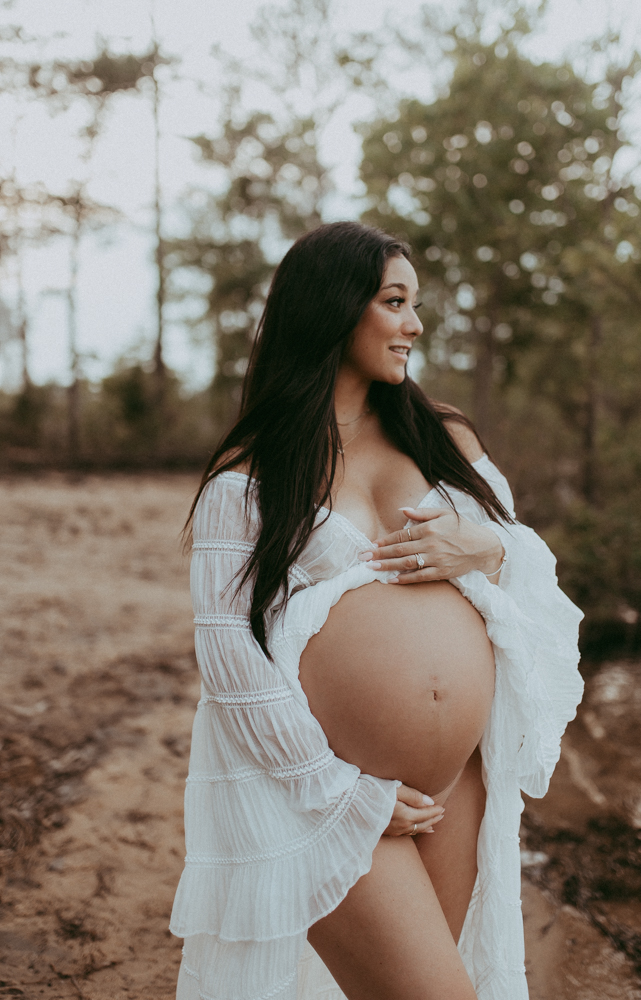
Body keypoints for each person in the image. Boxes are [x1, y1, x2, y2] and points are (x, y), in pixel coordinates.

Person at [170, 221, 583, 1000]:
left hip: (455, 782)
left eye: (414, 304)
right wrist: (339, 790)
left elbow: (527, 564)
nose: (415, 326)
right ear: (334, 310)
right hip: (327, 794)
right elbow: (230, 658)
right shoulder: (251, 474)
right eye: (396, 302)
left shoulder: (443, 439)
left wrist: (483, 550)